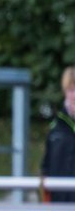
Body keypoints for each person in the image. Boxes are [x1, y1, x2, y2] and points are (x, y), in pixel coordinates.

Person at [40, 66, 75, 203]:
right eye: (71, 90)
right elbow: (46, 167)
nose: (74, 95)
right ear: (65, 92)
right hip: (59, 203)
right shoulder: (55, 126)